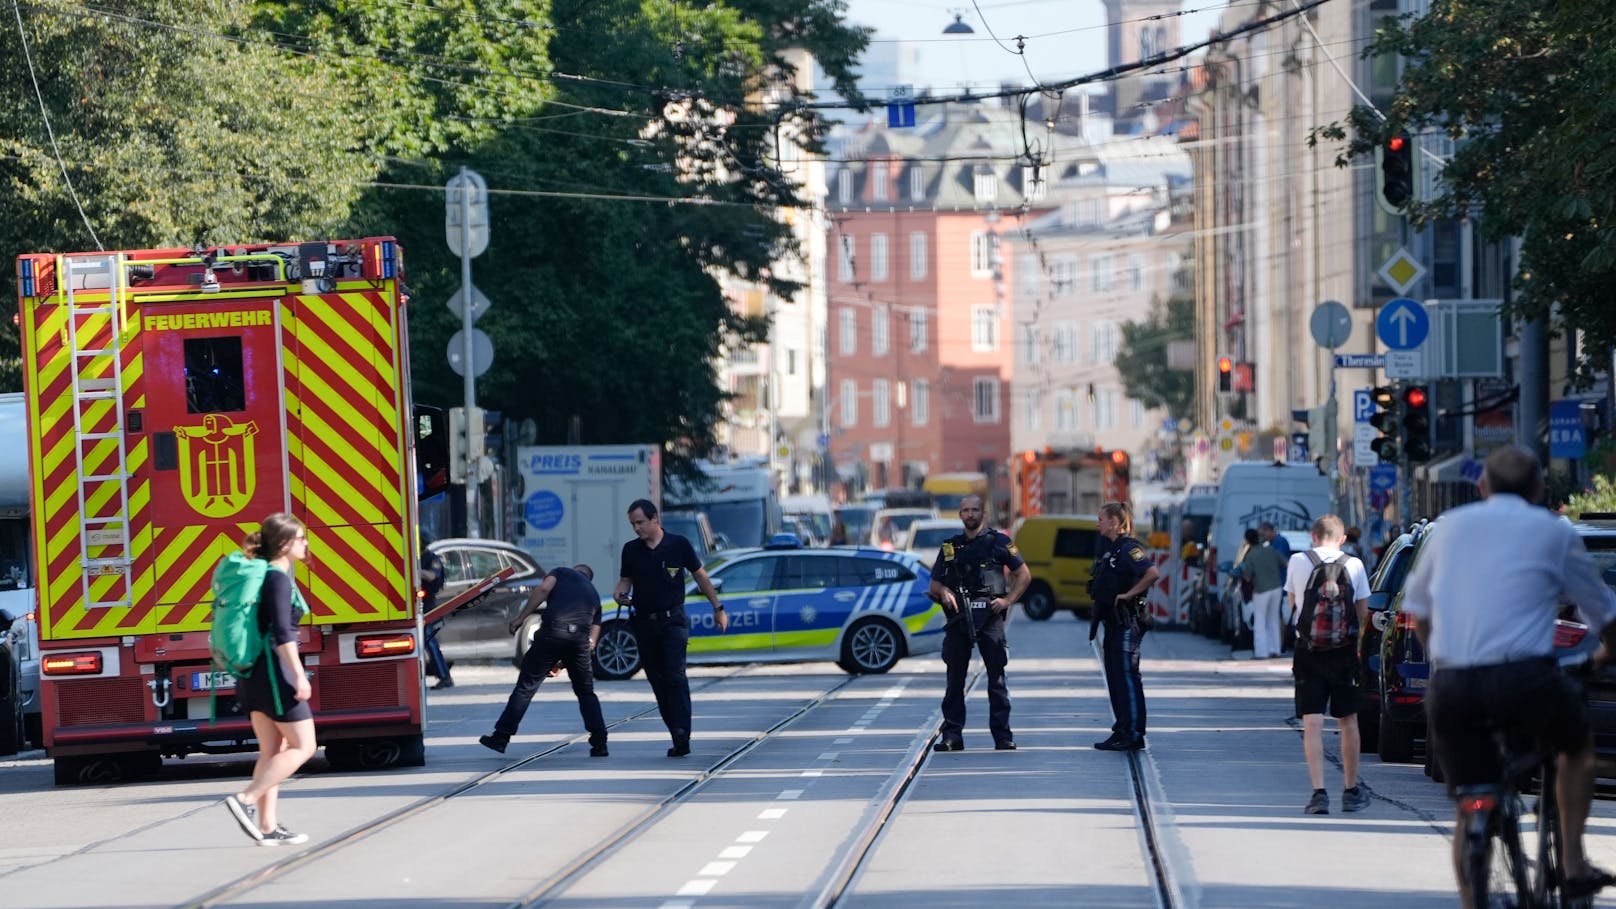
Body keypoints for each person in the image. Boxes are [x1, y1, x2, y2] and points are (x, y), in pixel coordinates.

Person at [1401, 445, 1616, 904]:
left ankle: (1471, 896)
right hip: (1525, 680)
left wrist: (1440, 658)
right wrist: (1606, 653)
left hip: (1453, 685)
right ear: (1539, 489)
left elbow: (1417, 610)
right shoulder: (1553, 531)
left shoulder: (1450, 529)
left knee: (1467, 804)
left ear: (1482, 487)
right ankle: (1574, 862)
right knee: (1575, 746)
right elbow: (1601, 610)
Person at [221, 513, 315, 847]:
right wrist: (299, 676)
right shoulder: (276, 577)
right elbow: (283, 631)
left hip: (254, 672)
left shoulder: (267, 575)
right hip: (273, 671)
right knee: (305, 745)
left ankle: (267, 826)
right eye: (302, 538)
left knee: (273, 749)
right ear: (286, 544)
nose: (306, 544)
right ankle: (245, 801)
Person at [614, 499, 727, 757]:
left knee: (675, 676)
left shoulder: (679, 544)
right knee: (658, 680)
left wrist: (718, 608)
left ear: (655, 519)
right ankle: (675, 731)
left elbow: (700, 576)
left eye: (640, 523)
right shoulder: (631, 550)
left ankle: (682, 733)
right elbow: (623, 582)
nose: (636, 529)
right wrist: (620, 594)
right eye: (632, 524)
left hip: (673, 620)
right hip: (644, 622)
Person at [928, 494, 1031, 752]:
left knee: (996, 680)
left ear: (982, 513)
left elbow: (1024, 574)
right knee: (955, 680)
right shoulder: (951, 547)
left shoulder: (999, 543)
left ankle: (1002, 736)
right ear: (960, 514)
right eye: (965, 510)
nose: (970, 515)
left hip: (990, 617)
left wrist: (1008, 600)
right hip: (959, 618)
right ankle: (952, 735)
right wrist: (944, 593)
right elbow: (935, 583)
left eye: (975, 510)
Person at [1283, 513, 1370, 815]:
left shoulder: (1297, 561)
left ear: (1313, 535)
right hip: (1344, 652)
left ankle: (1319, 792)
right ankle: (1350, 789)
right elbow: (1363, 611)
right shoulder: (1354, 564)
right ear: (1342, 538)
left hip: (1308, 651)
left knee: (1312, 722)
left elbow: (1294, 604)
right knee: (1348, 722)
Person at [479, 564, 609, 757]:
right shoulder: (594, 595)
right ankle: (600, 743)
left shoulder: (563, 572)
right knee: (586, 692)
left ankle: (501, 737)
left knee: (526, 687)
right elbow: (591, 641)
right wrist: (563, 662)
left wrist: (521, 618)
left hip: (552, 633)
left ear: (575, 569)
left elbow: (543, 588)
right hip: (579, 640)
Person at [1090, 502, 1160, 751]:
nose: (1098, 523)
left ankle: (1133, 734)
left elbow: (1151, 573)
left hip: (1127, 621)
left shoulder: (1130, 548)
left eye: (1101, 519)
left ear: (1114, 522)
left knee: (1127, 678)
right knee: (1115, 678)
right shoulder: (1112, 550)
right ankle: (1121, 729)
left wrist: (1129, 594)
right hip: (1113, 623)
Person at [1237, 527, 1289, 659]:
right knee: (1274, 620)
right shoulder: (1271, 550)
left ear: (1248, 541)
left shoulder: (1251, 555)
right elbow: (1286, 563)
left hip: (1261, 590)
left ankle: (1261, 652)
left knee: (1260, 621)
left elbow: (1247, 576)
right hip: (1277, 588)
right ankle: (1275, 650)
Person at [420, 536, 453, 689]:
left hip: (428, 606)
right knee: (426, 642)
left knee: (430, 641)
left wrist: (415, 570)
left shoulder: (432, 559)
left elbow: (432, 576)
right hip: (418, 606)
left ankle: (445, 676)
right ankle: (440, 674)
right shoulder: (417, 557)